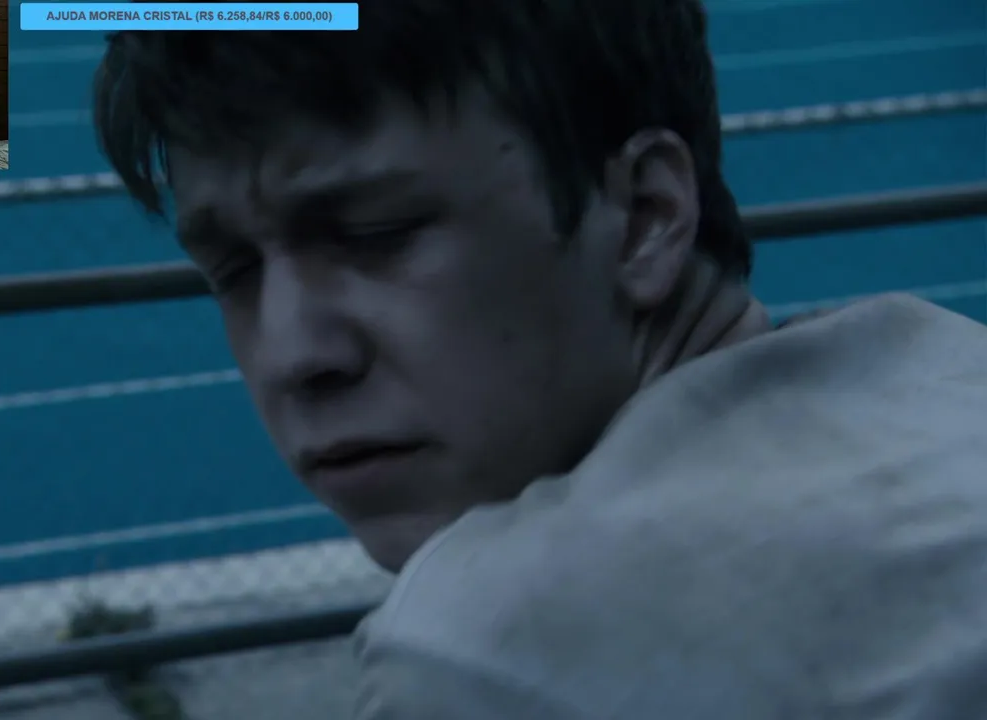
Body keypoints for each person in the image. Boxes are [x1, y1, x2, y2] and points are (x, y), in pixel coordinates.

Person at [94, 1, 987, 717]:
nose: (293, 353)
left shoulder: (485, 646)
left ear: (643, 219)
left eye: (376, 232)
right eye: (233, 270)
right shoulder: (950, 368)